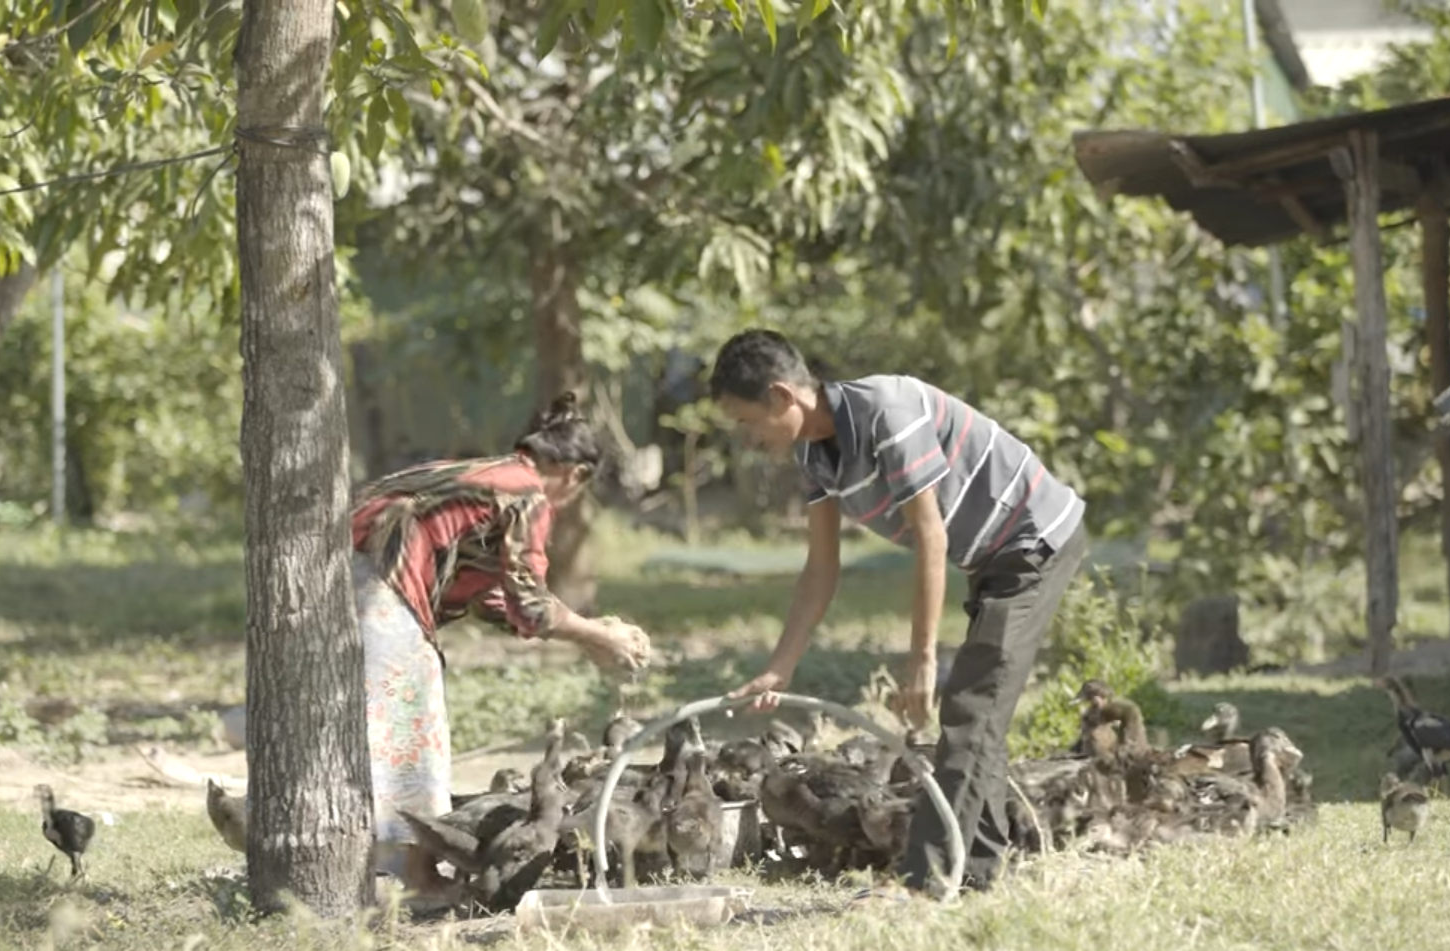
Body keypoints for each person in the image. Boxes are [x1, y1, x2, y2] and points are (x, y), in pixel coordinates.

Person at [711, 329, 1087, 903]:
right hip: (990, 556)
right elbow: (820, 569)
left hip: (1035, 540)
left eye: (746, 421)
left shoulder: (888, 410)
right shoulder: (816, 456)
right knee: (978, 714)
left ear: (783, 397)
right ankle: (979, 871)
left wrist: (921, 661)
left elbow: (930, 535)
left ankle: (926, 883)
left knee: (971, 709)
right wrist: (780, 667)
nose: (747, 437)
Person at [347, 392, 654, 900]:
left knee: (369, 722)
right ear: (574, 475)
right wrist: (599, 635)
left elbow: (498, 600)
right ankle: (416, 876)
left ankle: (373, 865)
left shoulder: (487, 476)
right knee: (410, 724)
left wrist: (587, 633)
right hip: (380, 581)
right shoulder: (527, 491)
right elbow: (531, 606)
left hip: (342, 572)